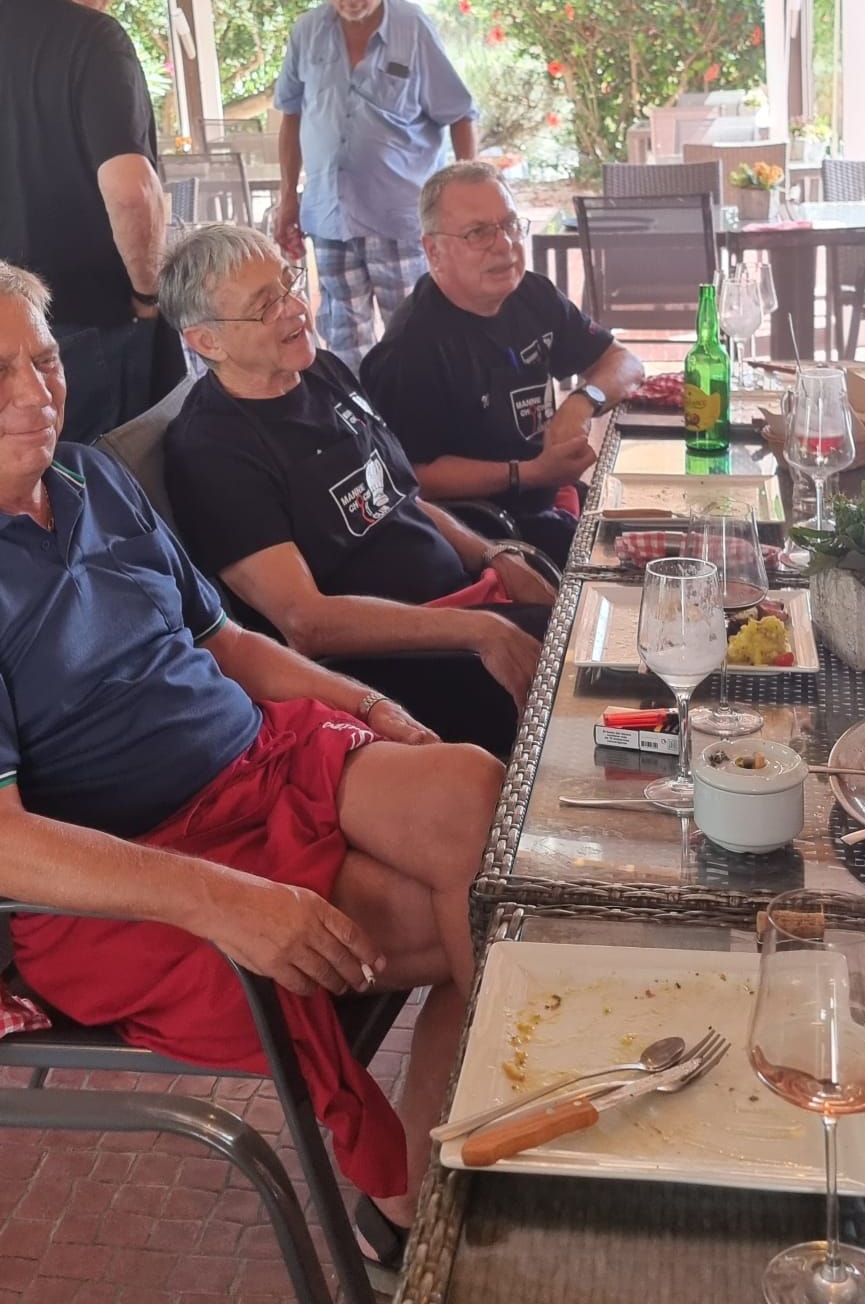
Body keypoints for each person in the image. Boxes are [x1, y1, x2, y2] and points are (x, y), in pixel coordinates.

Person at [0, 259, 502, 1280]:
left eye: (44, 360)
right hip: (131, 867)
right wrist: (223, 900)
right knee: (458, 917)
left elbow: (224, 640)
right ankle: (428, 1201)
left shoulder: (90, 476)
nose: (36, 392)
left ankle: (455, 1173)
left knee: (473, 794)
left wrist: (366, 705)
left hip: (259, 760)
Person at [162, 225, 553, 758]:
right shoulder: (213, 449)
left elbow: (403, 498)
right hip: (395, 669)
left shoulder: (322, 370)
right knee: (586, 662)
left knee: (586, 611)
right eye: (265, 305)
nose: (295, 308)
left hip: (464, 610)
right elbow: (307, 623)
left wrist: (494, 555)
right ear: (207, 341)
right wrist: (478, 630)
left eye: (289, 283)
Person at [361, 161, 645, 566]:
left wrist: (583, 402)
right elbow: (409, 478)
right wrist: (529, 473)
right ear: (433, 250)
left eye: (510, 224)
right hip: (483, 533)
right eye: (478, 233)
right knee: (634, 566)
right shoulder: (410, 348)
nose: (504, 244)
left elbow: (624, 361)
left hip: (549, 497)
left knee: (669, 527)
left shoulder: (532, 294)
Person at [0, 0, 184, 443]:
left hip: (7, 331)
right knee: (105, 482)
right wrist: (147, 294)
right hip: (84, 326)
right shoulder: (95, 39)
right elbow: (131, 191)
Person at [273, 0, 477, 374]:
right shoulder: (307, 32)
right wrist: (288, 196)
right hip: (330, 217)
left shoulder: (413, 27)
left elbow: (460, 114)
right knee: (342, 340)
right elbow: (291, 115)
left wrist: (468, 200)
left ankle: (416, 416)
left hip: (400, 217)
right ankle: (358, 415)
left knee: (415, 337)